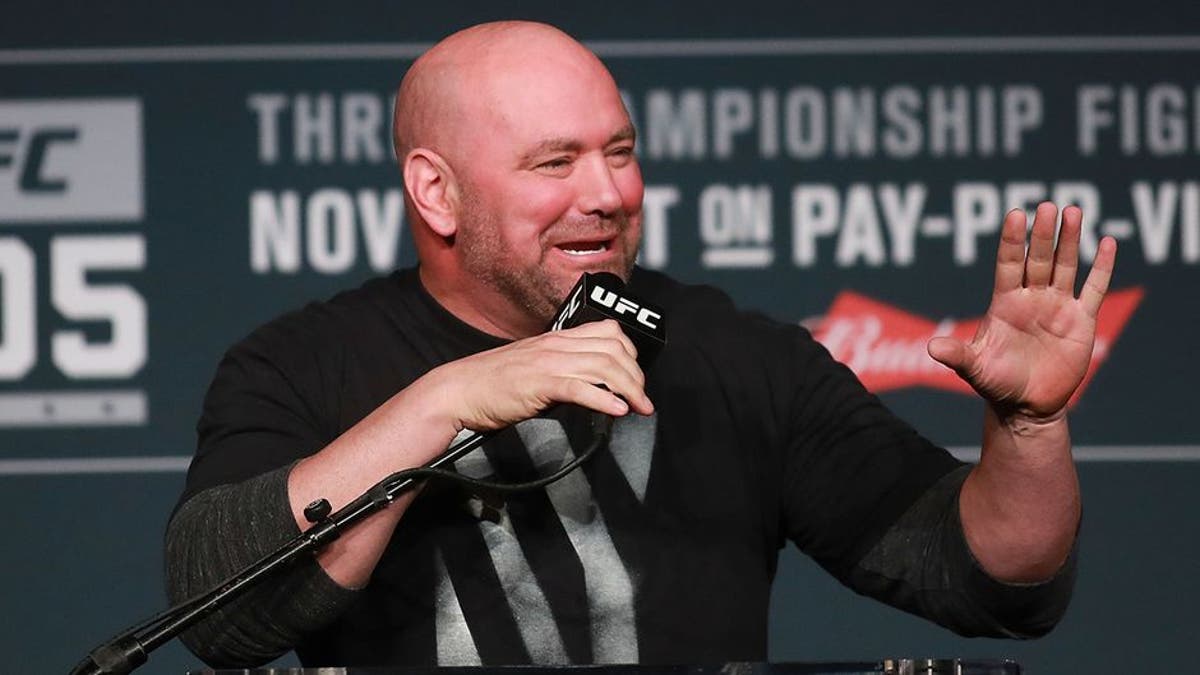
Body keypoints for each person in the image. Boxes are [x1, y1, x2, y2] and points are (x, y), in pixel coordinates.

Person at [166, 20, 1117, 668]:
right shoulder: (301, 363)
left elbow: (991, 578)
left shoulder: (737, 356)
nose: (608, 193)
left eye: (619, 152)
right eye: (555, 162)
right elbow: (219, 609)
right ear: (436, 192)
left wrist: (1030, 427)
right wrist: (445, 401)